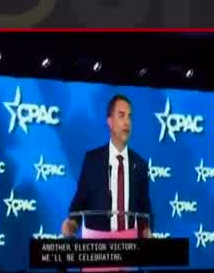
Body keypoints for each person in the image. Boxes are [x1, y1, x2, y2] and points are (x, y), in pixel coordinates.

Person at [61, 94, 153, 237]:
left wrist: (147, 230)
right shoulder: (93, 160)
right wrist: (72, 224)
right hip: (98, 244)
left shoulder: (140, 165)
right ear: (109, 121)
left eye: (129, 116)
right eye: (121, 115)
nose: (127, 122)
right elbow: (79, 203)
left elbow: (145, 210)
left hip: (128, 245)